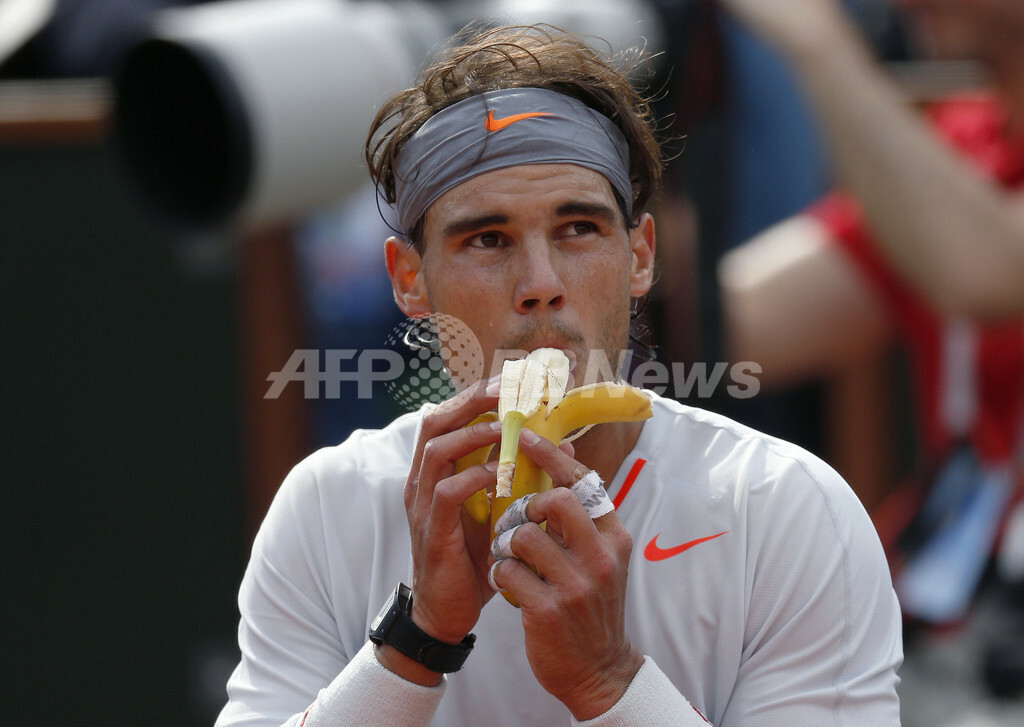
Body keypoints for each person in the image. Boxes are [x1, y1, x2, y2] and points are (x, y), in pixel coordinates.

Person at [215, 23, 902, 726]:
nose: (540, 283)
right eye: (487, 239)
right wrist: (417, 638)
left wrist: (608, 680)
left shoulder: (785, 508)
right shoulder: (328, 508)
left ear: (641, 256)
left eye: (579, 229)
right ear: (409, 279)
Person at [715, 0, 1024, 677]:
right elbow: (734, 328)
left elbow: (989, 272)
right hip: (951, 617)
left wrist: (821, 43)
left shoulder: (956, 209)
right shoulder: (964, 143)